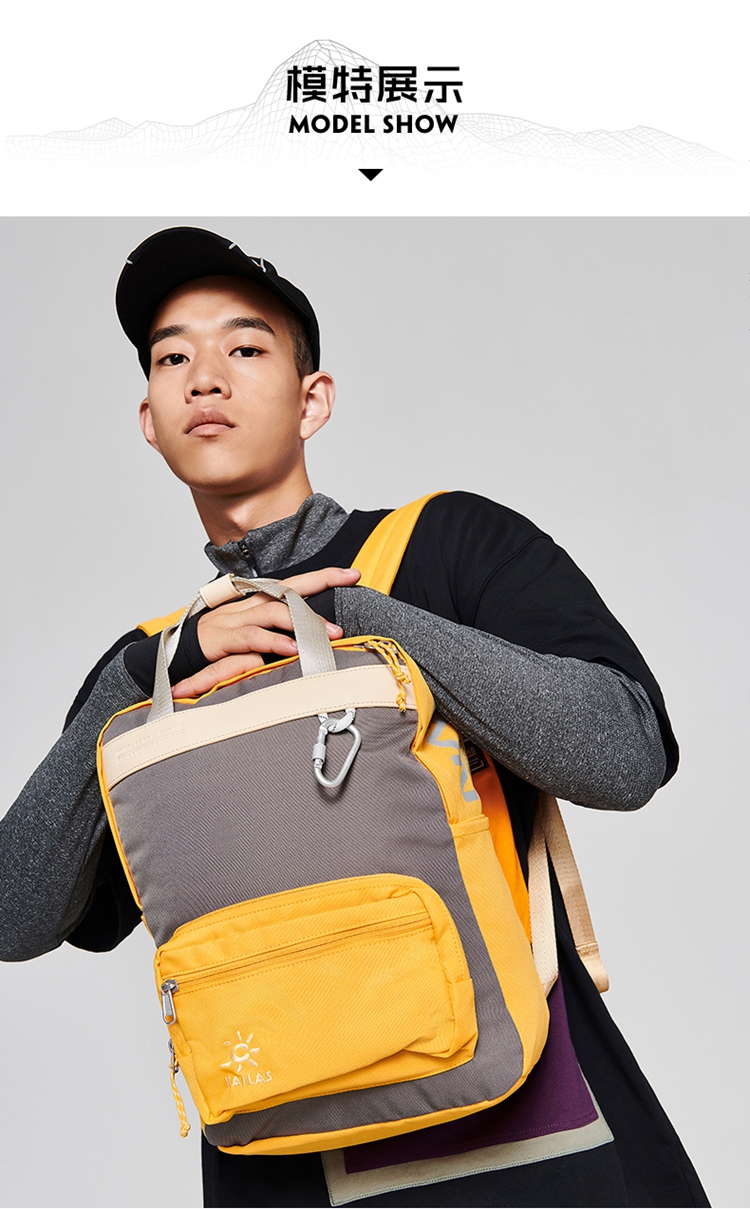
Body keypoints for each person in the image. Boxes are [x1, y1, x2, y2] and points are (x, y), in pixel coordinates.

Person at [0, 226, 708, 1208]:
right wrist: (134, 677)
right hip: (286, 1172)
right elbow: (16, 915)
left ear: (312, 400)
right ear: (150, 422)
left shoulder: (445, 546)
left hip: (535, 1153)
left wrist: (351, 617)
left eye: (246, 347)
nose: (206, 377)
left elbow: (624, 752)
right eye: (172, 358)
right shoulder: (152, 673)